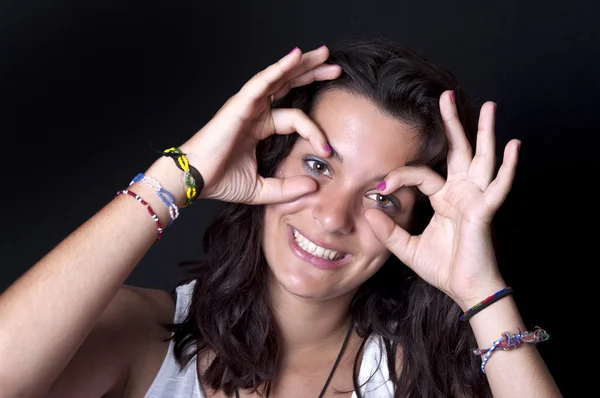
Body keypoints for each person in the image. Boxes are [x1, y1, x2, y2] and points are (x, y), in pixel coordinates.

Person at [0, 38, 562, 398]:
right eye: (318, 165)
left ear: (416, 227)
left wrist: (479, 289)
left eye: (382, 197)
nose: (333, 215)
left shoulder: (417, 381)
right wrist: (180, 174)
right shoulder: (144, 337)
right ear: (269, 159)